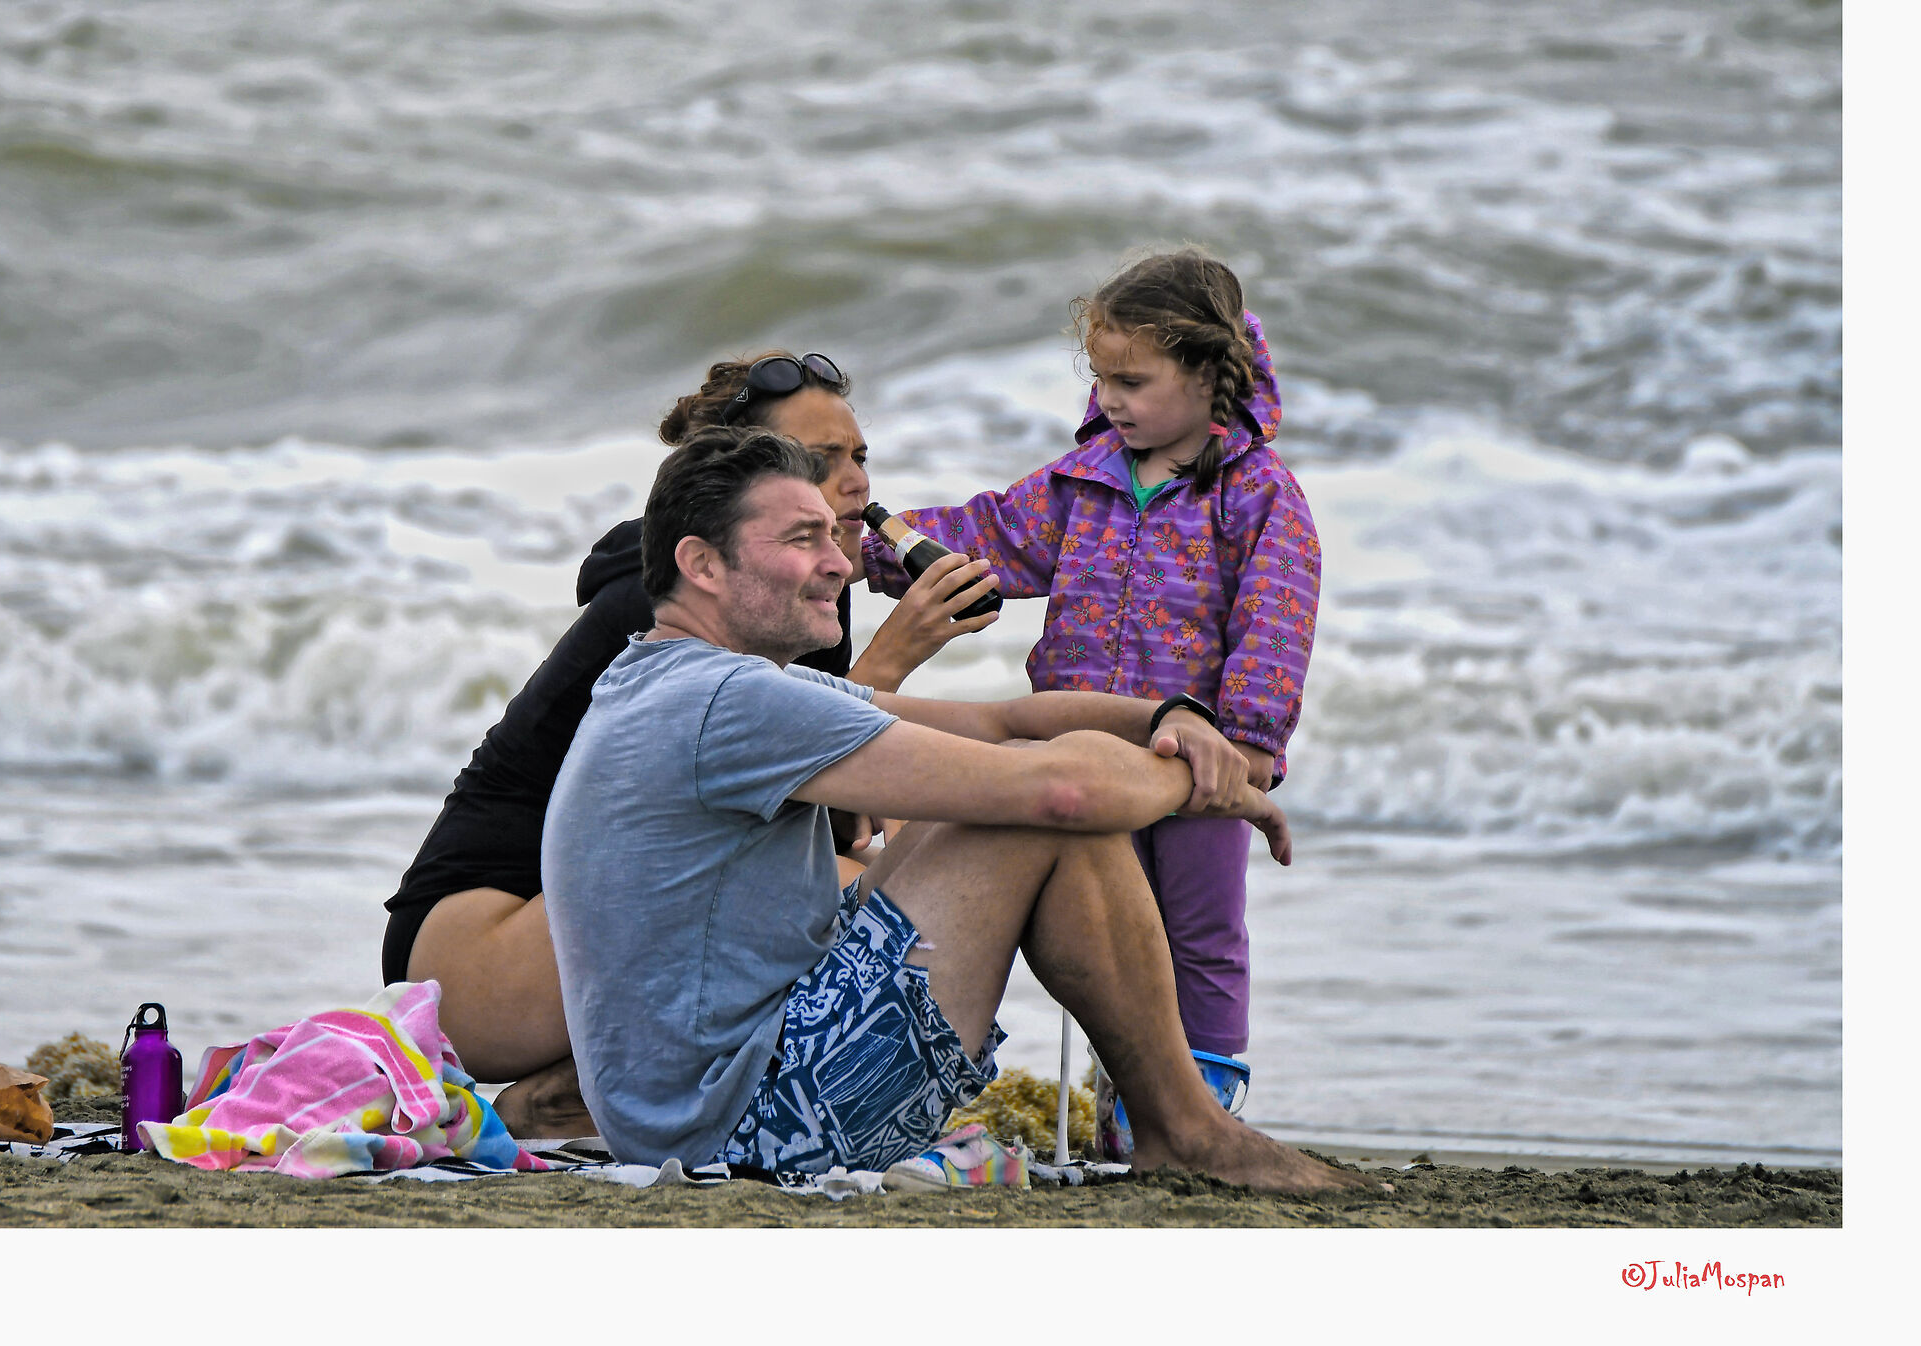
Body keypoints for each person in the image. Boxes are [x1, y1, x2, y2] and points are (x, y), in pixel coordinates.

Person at [541, 426, 1363, 1191]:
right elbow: (1064, 792)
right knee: (1038, 809)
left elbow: (999, 719)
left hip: (707, 1113)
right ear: (703, 564)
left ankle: (1178, 1123)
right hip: (750, 1126)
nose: (839, 563)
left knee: (999, 781)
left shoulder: (680, 680)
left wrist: (1171, 720)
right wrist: (1213, 782)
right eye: (804, 540)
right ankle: (1185, 1126)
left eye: (835, 535)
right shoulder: (726, 698)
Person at [379, 351, 1002, 1130]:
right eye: (819, 461)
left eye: (859, 457)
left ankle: (588, 1095)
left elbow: (821, 816)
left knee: (891, 877)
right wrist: (895, 660)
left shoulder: (800, 595)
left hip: (577, 924)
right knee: (844, 897)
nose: (856, 485)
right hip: (472, 953)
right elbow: (760, 789)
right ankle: (574, 1098)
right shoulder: (675, 602)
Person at [859, 249, 1316, 1118]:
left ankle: (1206, 1092)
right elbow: (987, 533)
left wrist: (1250, 746)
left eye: (1134, 381)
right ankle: (1126, 1091)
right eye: (1103, 378)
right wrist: (877, 545)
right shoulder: (1083, 482)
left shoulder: (1257, 493)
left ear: (1206, 374)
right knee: (1107, 930)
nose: (1111, 399)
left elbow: (1278, 614)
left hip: (1195, 761)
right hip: (1079, 754)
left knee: (1201, 933)